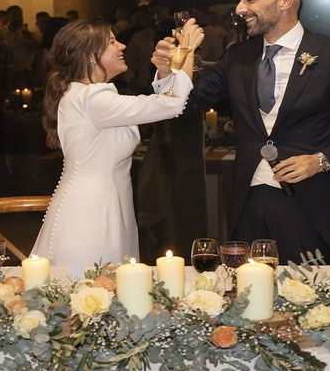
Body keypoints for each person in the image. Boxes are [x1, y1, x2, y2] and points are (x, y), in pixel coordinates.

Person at [153, 0, 330, 265]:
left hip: (309, 201)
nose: (240, 9)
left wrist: (321, 160)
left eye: (249, 0)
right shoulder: (238, 56)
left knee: (311, 297)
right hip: (247, 200)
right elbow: (188, 101)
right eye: (240, 0)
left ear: (285, 1)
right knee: (250, 296)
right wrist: (166, 72)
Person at [30, 18, 203, 274]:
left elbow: (160, 103)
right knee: (92, 286)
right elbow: (172, 104)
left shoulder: (90, 95)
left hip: (106, 200)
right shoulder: (92, 99)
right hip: (93, 210)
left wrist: (168, 71)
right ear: (90, 56)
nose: (122, 45)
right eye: (112, 41)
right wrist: (186, 51)